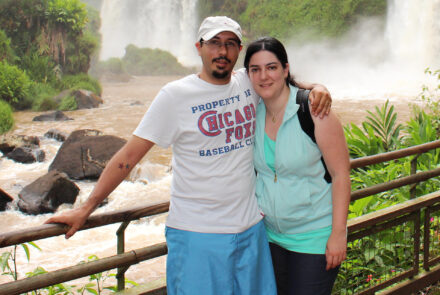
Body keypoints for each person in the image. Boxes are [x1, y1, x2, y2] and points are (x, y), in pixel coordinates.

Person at [45, 17, 332, 295]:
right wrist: (87, 207)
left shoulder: (250, 81)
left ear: (239, 51)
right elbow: (129, 156)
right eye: (215, 43)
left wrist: (318, 88)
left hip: (251, 231)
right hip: (197, 235)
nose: (223, 51)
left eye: (231, 44)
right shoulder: (175, 96)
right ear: (199, 47)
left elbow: (283, 82)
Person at [244, 36, 351, 295]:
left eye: (271, 67)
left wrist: (338, 234)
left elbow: (341, 174)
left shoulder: (313, 110)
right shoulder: (252, 111)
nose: (264, 76)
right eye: (255, 69)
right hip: (269, 237)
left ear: (285, 69)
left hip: (313, 236)